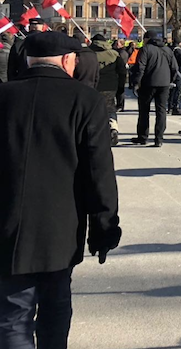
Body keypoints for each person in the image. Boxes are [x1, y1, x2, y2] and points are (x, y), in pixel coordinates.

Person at [0, 31, 121, 347]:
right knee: (55, 304)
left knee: (12, 316)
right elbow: (99, 172)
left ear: (27, 60)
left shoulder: (3, 96)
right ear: (69, 60)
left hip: (6, 222)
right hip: (61, 225)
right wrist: (104, 229)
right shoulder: (86, 100)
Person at [130, 30, 178, 147]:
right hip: (164, 84)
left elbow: (141, 67)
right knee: (161, 111)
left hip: (148, 84)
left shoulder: (146, 49)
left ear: (147, 39)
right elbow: (174, 68)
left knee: (144, 111)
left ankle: (143, 137)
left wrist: (136, 82)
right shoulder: (168, 50)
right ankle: (159, 139)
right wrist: (170, 80)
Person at [89, 34, 127, 146]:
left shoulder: (89, 53)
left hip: (93, 87)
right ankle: (113, 128)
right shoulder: (114, 54)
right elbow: (122, 72)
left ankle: (95, 134)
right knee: (110, 110)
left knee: (93, 111)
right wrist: (121, 87)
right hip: (110, 87)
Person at [169, 41, 181, 116]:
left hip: (170, 72)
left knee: (171, 91)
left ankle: (170, 107)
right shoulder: (180, 52)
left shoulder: (169, 50)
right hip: (178, 73)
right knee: (177, 90)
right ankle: (175, 107)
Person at [113, 39, 129, 110]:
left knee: (120, 90)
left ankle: (120, 105)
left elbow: (121, 63)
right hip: (120, 72)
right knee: (119, 90)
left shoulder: (122, 52)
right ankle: (120, 105)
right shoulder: (121, 51)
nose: (116, 45)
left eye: (117, 44)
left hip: (120, 73)